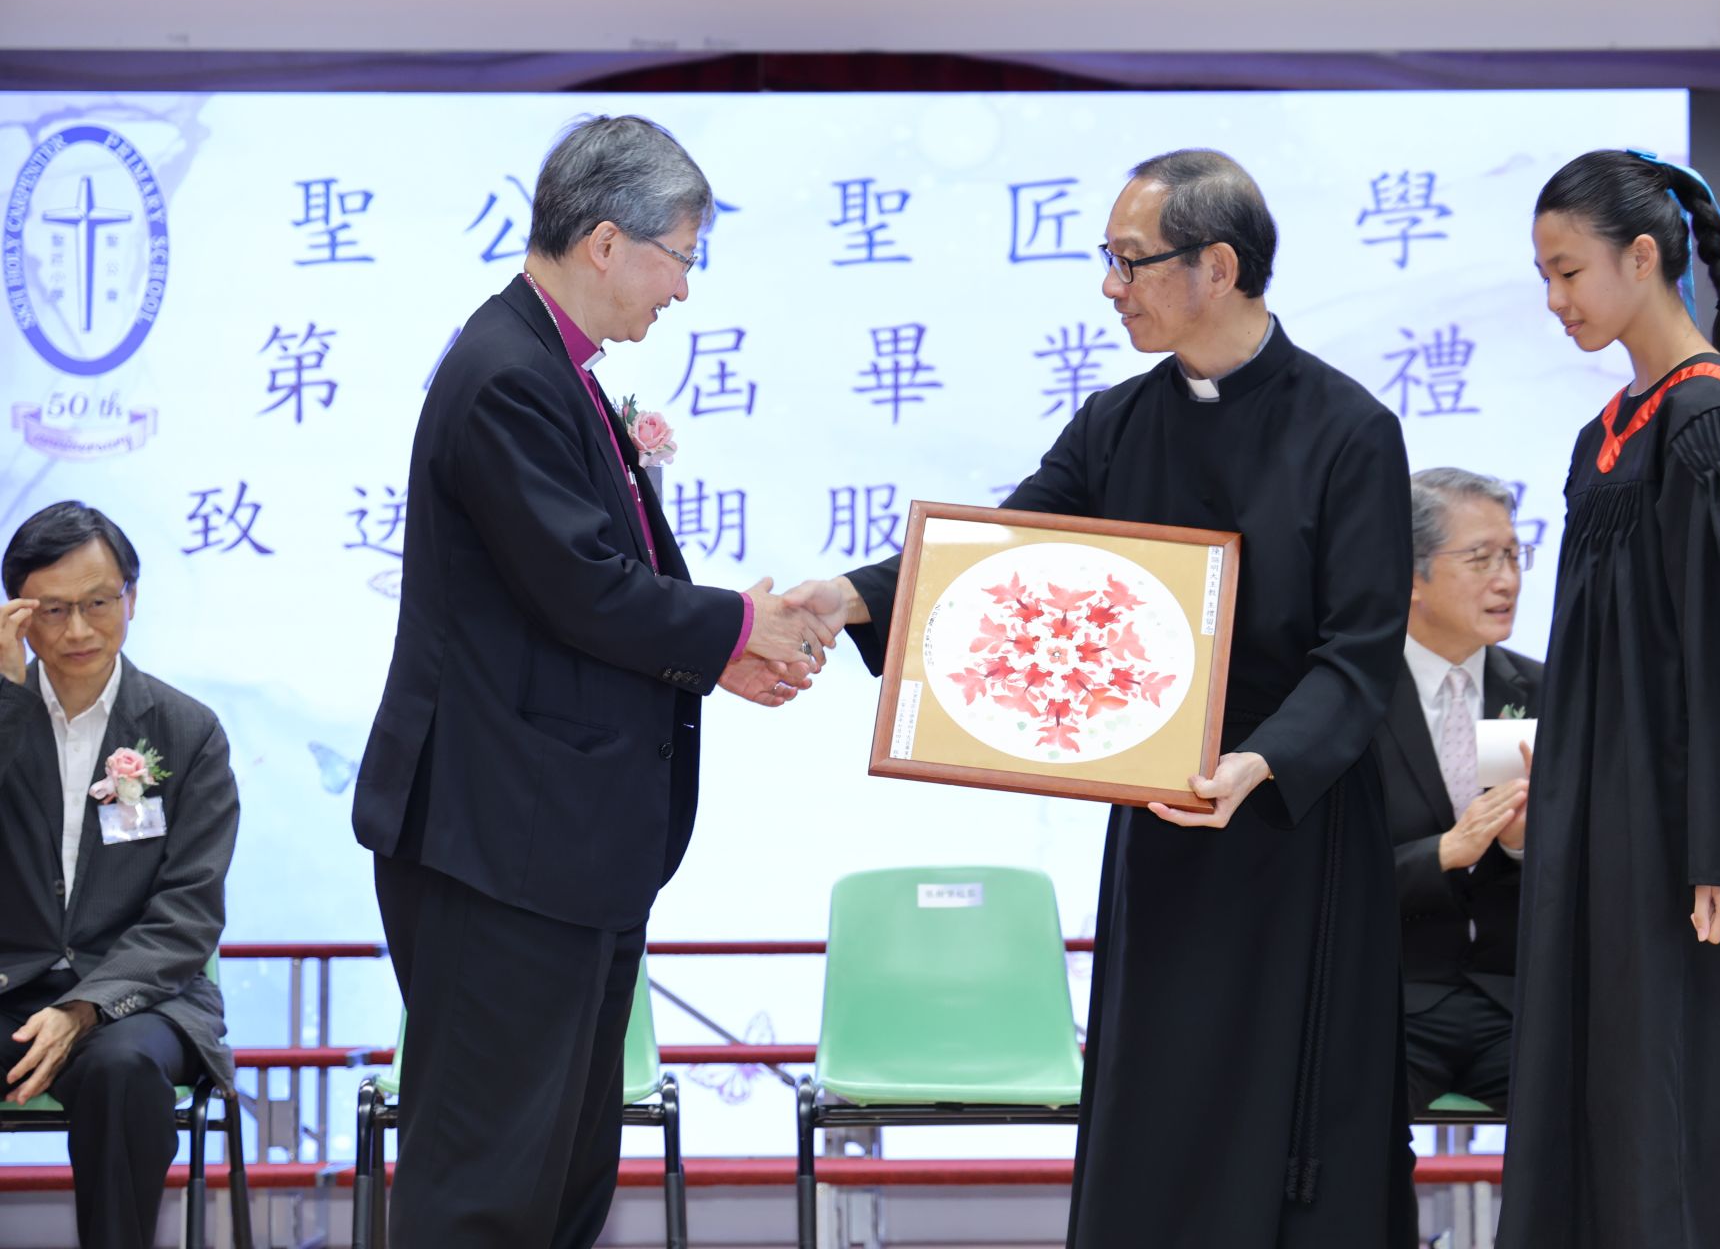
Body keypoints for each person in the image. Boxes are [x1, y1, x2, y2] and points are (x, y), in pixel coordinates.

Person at [788, 149, 1417, 1247]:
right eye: (1109, 259)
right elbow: (999, 559)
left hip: (1294, 822)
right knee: (1158, 1104)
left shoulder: (1349, 429)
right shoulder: (1116, 422)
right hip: (1165, 819)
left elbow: (1359, 652)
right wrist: (852, 597)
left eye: (1131, 261)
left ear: (1217, 266)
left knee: (1294, 1115)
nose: (1110, 285)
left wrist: (1262, 763)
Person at [352, 115, 830, 1248]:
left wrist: (726, 648)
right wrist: (738, 625)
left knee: (563, 1172)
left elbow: (593, 591)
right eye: (681, 257)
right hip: (501, 844)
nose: (684, 289)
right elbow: (582, 586)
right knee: (488, 1182)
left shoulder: (548, 367)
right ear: (608, 243)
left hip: (556, 845)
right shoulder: (507, 376)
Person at [1498, 149, 1720, 1248]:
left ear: (1642, 257)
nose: (1555, 300)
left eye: (1568, 272)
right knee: (1595, 1084)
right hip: (1604, 817)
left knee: (1677, 1104)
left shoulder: (1713, 422)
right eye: (1544, 277)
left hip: (1689, 835)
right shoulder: (1610, 430)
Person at [0, 501, 239, 1249]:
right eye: (53, 609)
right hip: (8, 987)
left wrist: (85, 1007)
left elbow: (189, 911)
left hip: (138, 999)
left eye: (98, 603)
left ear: (131, 598)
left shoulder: (186, 731)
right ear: (17, 615)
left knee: (125, 1070)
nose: (78, 630)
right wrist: (4, 706)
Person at [1373, 468, 1541, 1115]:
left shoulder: (1549, 691)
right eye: (1481, 559)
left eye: (1514, 555)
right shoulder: (1351, 699)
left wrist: (1524, 846)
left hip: (1517, 1002)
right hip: (1387, 999)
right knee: (1348, 1134)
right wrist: (1444, 851)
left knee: (1603, 1119)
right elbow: (1319, 876)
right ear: (1412, 576)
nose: (1507, 580)